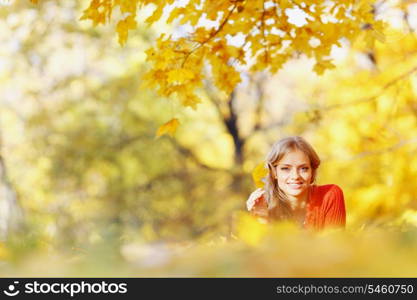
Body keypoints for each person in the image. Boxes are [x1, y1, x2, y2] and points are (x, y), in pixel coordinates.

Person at [246, 136, 346, 230]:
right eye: (285, 168)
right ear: (274, 172)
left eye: (303, 168)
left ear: (312, 171)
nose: (295, 176)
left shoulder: (330, 195)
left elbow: (334, 244)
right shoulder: (263, 206)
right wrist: (262, 217)